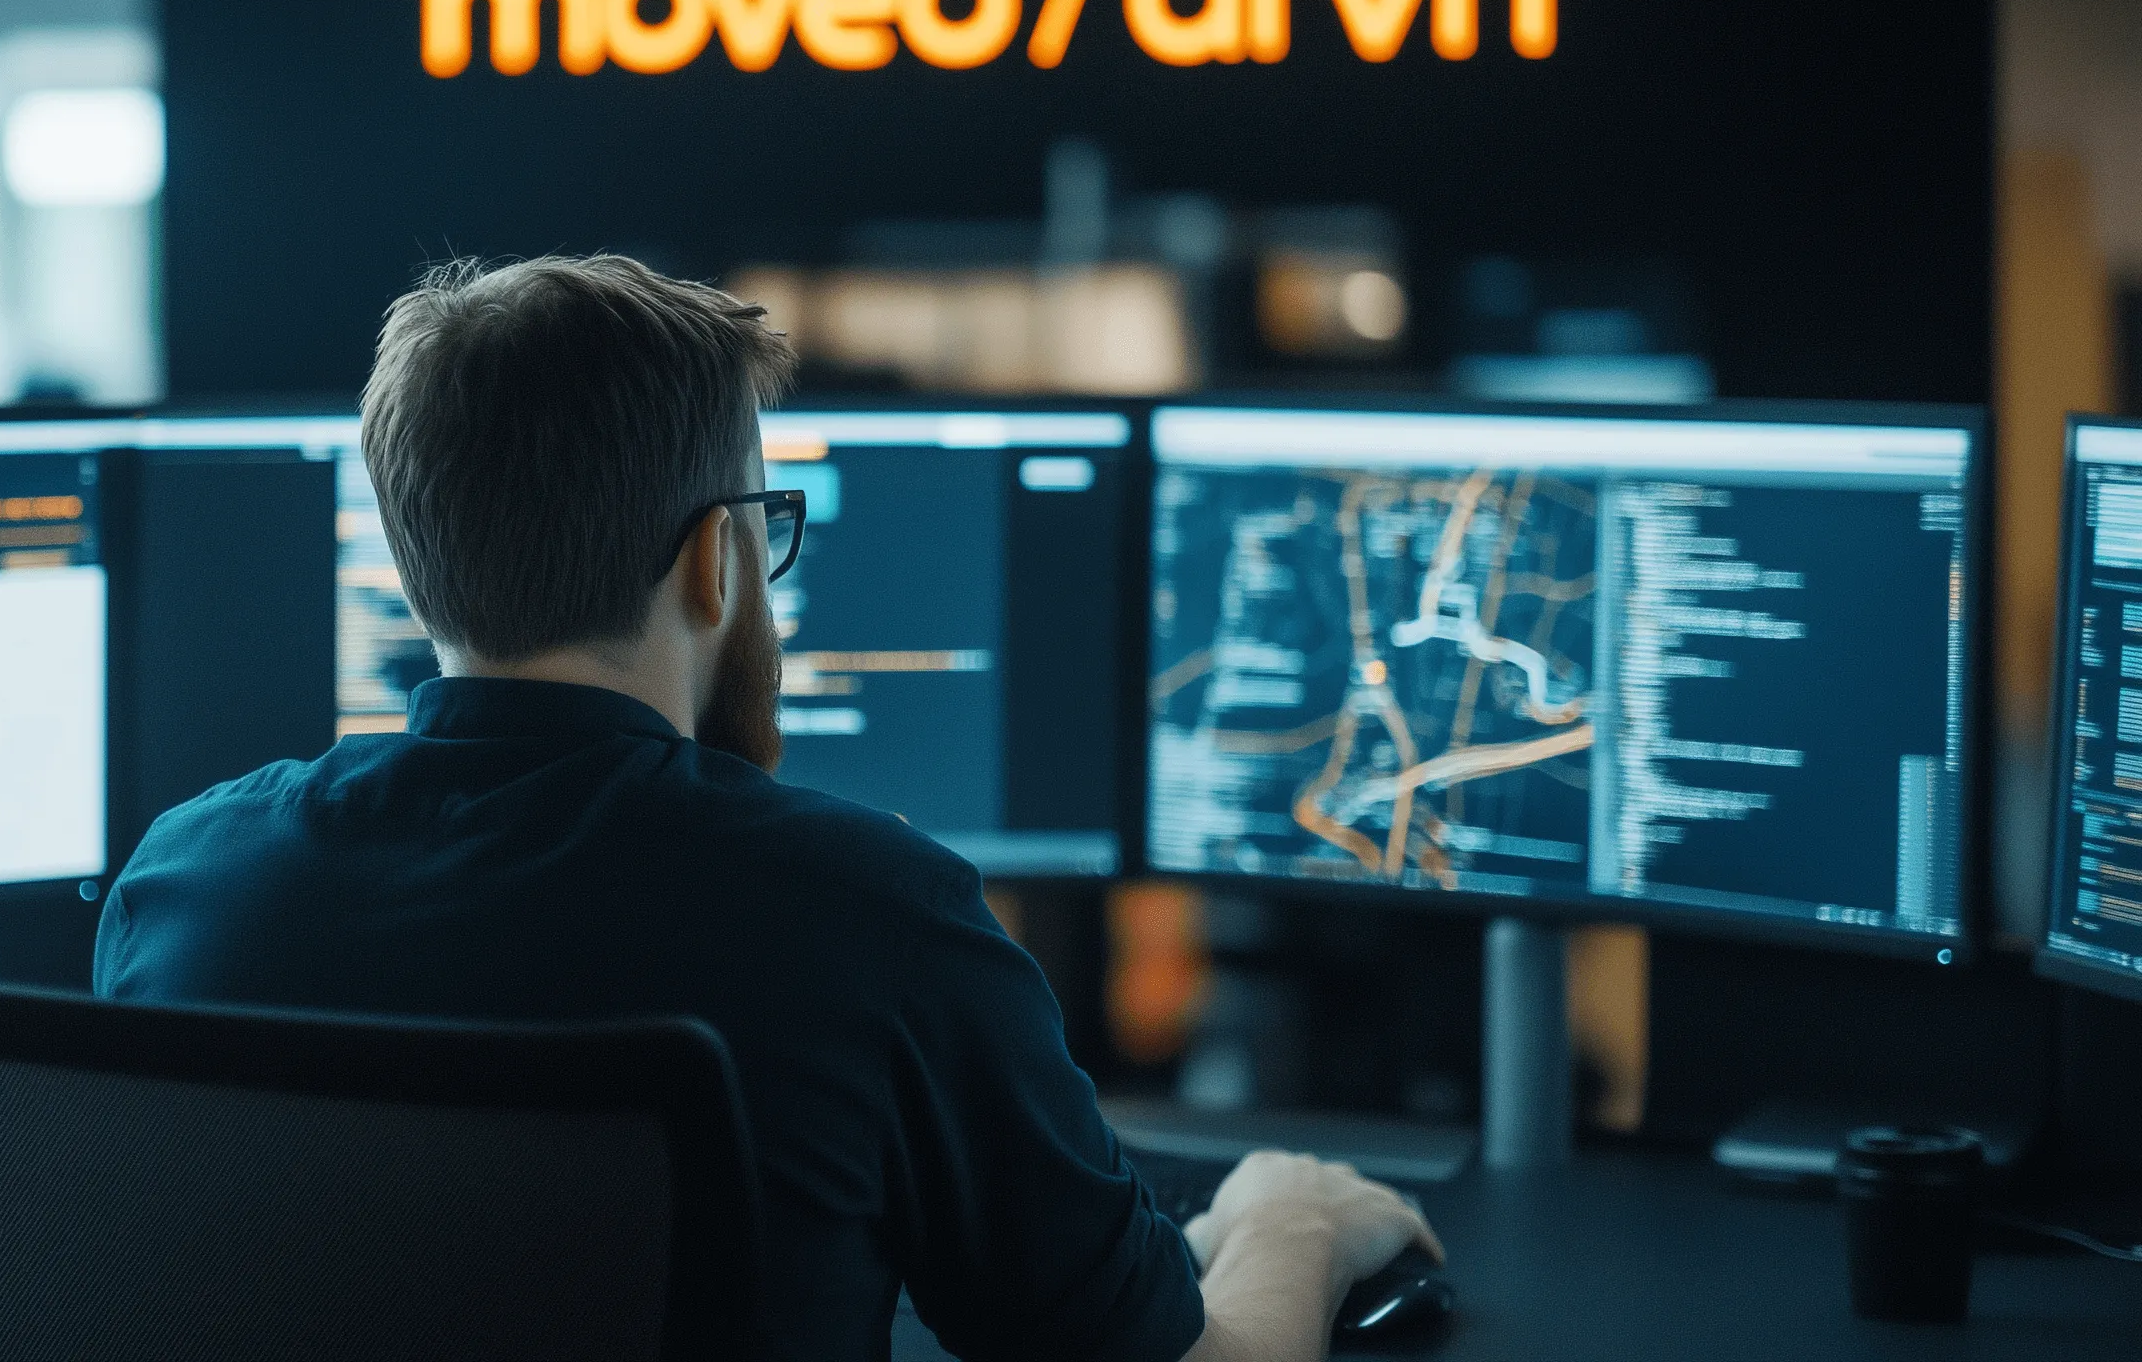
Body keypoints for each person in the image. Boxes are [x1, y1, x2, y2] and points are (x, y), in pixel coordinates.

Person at [95, 253, 1440, 1360]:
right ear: (711, 560)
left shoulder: (189, 882)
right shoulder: (869, 914)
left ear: (407, 558)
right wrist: (1287, 1219)